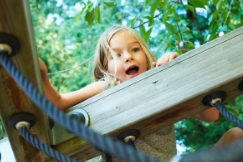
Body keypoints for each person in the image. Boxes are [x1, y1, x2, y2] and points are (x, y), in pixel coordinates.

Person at [39, 24, 243, 162]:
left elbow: (211, 115)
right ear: (106, 68)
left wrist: (179, 74)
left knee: (236, 135)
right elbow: (57, 102)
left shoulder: (161, 81)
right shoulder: (107, 87)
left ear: (145, 55)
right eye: (117, 55)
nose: (128, 57)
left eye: (134, 49)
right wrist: (41, 74)